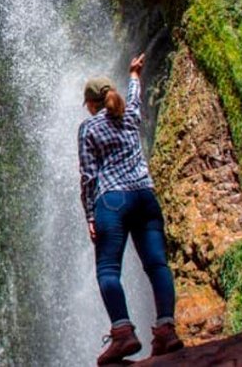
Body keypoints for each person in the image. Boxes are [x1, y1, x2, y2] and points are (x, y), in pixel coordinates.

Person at [78, 53, 183, 365]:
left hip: (113, 200)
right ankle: (166, 330)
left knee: (109, 269)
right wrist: (134, 73)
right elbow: (135, 92)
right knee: (157, 265)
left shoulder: (89, 128)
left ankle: (123, 332)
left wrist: (90, 215)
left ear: (92, 103)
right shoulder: (131, 114)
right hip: (145, 196)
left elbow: (88, 177)